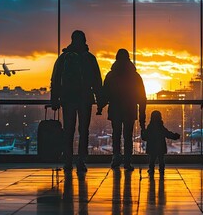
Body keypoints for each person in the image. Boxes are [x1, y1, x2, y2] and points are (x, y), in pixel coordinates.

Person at [51, 30, 102, 174]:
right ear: (85, 40)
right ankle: (81, 160)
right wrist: (100, 101)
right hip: (85, 99)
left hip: (67, 99)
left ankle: (67, 160)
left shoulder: (64, 58)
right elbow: (97, 81)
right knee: (83, 130)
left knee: (69, 130)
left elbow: (55, 79)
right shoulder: (89, 58)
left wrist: (55, 99)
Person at [99, 48, 146, 171]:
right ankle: (127, 161)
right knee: (128, 136)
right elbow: (142, 97)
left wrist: (100, 106)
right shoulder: (135, 76)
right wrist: (142, 117)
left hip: (115, 108)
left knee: (116, 134)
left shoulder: (111, 75)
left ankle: (116, 157)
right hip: (130, 109)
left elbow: (105, 93)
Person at [141, 110, 180, 175]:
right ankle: (161, 169)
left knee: (152, 159)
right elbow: (167, 134)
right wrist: (175, 136)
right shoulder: (161, 127)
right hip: (160, 146)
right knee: (161, 159)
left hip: (152, 146)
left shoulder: (150, 127)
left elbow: (145, 137)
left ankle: (151, 169)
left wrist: (143, 131)